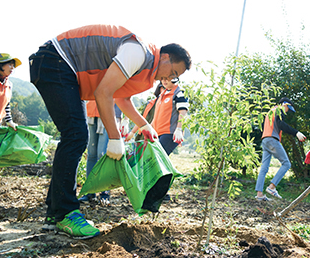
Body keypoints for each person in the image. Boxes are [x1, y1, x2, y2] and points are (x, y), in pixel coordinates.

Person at [28, 24, 190, 239]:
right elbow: (104, 92)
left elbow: (121, 98)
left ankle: (55, 212)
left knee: (74, 135)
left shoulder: (146, 71)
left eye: (176, 77)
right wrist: (115, 139)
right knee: (76, 135)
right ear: (166, 57)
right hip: (55, 60)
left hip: (60, 67)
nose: (171, 78)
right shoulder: (138, 53)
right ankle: (65, 212)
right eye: (173, 72)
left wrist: (144, 125)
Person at [255, 99, 306, 201]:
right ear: (284, 104)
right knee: (286, 164)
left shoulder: (271, 111)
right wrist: (296, 133)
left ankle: (259, 194)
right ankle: (272, 187)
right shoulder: (279, 110)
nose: (287, 111)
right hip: (272, 140)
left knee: (264, 168)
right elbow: (281, 124)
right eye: (288, 108)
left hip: (265, 140)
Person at [77, 101, 119, 205]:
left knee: (102, 154)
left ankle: (105, 193)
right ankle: (90, 191)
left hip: (107, 113)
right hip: (91, 113)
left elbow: (120, 94)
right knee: (91, 154)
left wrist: (120, 117)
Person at [148, 78, 189, 155]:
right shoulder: (162, 94)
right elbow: (157, 114)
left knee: (158, 157)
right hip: (158, 133)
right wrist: (150, 127)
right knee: (156, 160)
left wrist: (179, 129)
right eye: (162, 78)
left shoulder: (179, 93)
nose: (164, 81)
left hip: (170, 133)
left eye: (167, 78)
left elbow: (183, 112)